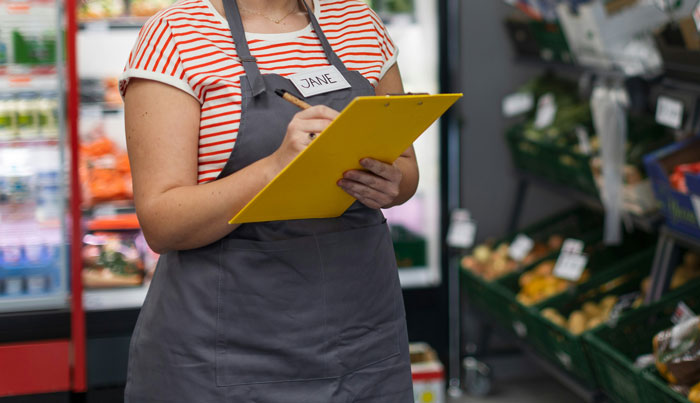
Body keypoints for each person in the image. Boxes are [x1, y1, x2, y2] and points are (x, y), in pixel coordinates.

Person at [120, 0, 419, 401]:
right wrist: (273, 168)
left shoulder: (358, 22)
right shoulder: (176, 34)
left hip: (363, 345)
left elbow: (406, 169)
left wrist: (391, 184)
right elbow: (161, 222)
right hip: (226, 352)